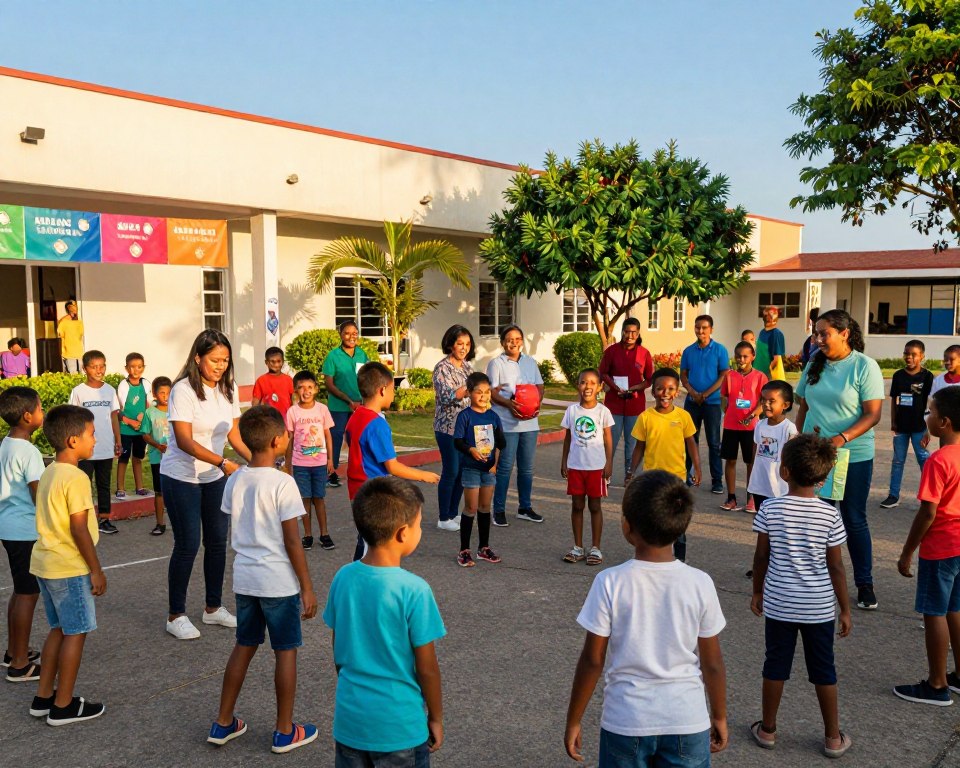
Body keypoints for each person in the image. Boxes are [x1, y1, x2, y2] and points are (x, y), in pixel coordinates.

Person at [564, 470, 727, 766]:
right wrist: (719, 715)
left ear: (627, 527)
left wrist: (574, 719)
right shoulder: (700, 582)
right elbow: (712, 662)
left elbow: (592, 660)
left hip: (626, 719)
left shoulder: (609, 581)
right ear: (681, 528)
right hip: (687, 719)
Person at [208, 406, 318, 753]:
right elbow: (291, 541)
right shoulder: (283, 483)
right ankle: (285, 730)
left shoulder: (236, 478)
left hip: (246, 578)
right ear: (276, 441)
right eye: (286, 433)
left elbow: (233, 521)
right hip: (277, 582)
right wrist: (307, 586)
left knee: (245, 645)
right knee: (285, 651)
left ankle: (223, 721)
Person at [323, 477, 445, 766]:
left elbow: (339, 650)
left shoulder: (343, 577)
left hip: (351, 720)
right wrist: (436, 717)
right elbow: (426, 667)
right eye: (418, 525)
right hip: (399, 725)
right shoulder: (414, 589)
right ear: (403, 533)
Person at [750, 434, 852, 758]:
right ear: (823, 479)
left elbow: (761, 557)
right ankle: (833, 736)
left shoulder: (770, 507)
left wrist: (757, 591)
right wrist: (845, 609)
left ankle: (767, 729)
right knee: (824, 669)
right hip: (819, 607)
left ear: (784, 471)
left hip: (780, 602)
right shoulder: (830, 515)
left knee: (775, 665)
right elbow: (836, 567)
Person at [160, 329, 251, 641]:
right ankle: (176, 615)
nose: (220, 365)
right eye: (214, 360)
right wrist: (223, 462)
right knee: (187, 545)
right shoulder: (182, 390)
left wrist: (259, 459)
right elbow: (184, 441)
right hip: (181, 477)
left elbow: (233, 434)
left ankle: (213, 608)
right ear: (197, 358)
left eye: (225, 360)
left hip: (213, 477)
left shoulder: (229, 389)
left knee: (216, 542)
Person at [796, 309, 883, 611]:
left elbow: (873, 415)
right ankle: (814, 581)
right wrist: (800, 440)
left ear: (844, 333)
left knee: (852, 518)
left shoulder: (864, 366)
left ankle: (864, 583)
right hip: (815, 453)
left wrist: (840, 439)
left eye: (824, 333)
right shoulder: (813, 363)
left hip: (852, 455)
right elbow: (804, 408)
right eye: (816, 333)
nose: (818, 339)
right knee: (817, 518)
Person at [30, 404, 106, 725]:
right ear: (73, 441)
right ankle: (63, 705)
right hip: (69, 567)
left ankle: (44, 696)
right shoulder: (75, 477)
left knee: (58, 629)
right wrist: (96, 569)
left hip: (45, 564)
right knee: (77, 632)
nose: (95, 439)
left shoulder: (49, 471)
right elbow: (78, 528)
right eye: (91, 434)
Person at [894, 386, 960, 706]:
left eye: (930, 412)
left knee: (934, 613)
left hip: (940, 549)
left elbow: (928, 512)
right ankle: (958, 675)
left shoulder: (937, 461)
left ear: (944, 422)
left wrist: (907, 552)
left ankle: (936, 685)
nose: (927, 417)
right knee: (955, 609)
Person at [346, 362, 440, 561]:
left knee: (366, 540)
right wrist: (424, 476)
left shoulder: (356, 416)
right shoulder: (377, 424)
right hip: (372, 492)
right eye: (392, 389)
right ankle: (362, 584)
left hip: (357, 488)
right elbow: (393, 466)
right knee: (370, 546)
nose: (394, 394)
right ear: (382, 390)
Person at [629, 368, 701, 562]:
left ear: (677, 392)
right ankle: (652, 556)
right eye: (660, 389)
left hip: (677, 478)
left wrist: (697, 467)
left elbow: (691, 443)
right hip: (651, 478)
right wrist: (631, 471)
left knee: (677, 520)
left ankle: (680, 559)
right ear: (652, 392)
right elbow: (639, 448)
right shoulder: (646, 417)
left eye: (671, 389)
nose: (665, 393)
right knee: (652, 517)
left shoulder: (683, 416)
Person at [0, 386, 45, 681]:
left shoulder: (6, 444)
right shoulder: (28, 451)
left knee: (20, 591)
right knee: (29, 593)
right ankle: (19, 664)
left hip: (8, 526)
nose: (43, 413)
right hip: (25, 530)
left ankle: (14, 650)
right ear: (28, 416)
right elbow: (38, 493)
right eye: (41, 409)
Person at [487, 324, 545, 527]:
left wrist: (535, 404)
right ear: (503, 342)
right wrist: (509, 404)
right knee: (504, 467)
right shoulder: (496, 364)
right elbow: (492, 392)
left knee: (527, 469)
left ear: (522, 341)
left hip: (529, 423)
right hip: (507, 423)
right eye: (509, 339)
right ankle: (499, 509)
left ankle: (524, 508)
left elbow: (540, 386)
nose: (514, 342)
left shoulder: (530, 362)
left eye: (518, 338)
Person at [560, 369, 614, 567]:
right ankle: (578, 547)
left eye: (592, 383)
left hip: (596, 468)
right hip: (576, 466)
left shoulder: (603, 411)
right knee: (577, 506)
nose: (587, 386)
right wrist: (564, 461)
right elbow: (567, 438)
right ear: (578, 385)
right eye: (583, 382)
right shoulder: (572, 411)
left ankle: (596, 548)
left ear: (600, 387)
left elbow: (608, 438)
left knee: (595, 507)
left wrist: (608, 463)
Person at [452, 372, 505, 568]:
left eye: (487, 392)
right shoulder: (465, 416)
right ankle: (464, 550)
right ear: (469, 394)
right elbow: (457, 441)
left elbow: (500, 443)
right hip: (471, 469)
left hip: (488, 470)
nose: (483, 396)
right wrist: (470, 449)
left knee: (484, 507)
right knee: (471, 508)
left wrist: (494, 465)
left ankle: (484, 548)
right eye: (478, 393)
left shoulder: (494, 416)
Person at [68, 350, 121, 535]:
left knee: (104, 484)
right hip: (85, 449)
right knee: (84, 484)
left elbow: (114, 417)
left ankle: (104, 519)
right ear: (85, 369)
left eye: (102, 366)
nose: (99, 370)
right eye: (94, 366)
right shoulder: (78, 392)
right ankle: (85, 520)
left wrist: (118, 440)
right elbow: (73, 420)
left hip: (106, 446)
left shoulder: (110, 391)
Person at [597, 318, 653, 486]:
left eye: (634, 332)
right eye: (627, 331)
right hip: (614, 404)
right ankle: (605, 474)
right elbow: (603, 373)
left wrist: (636, 387)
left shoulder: (644, 353)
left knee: (632, 444)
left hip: (635, 406)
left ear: (638, 333)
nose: (630, 335)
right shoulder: (611, 351)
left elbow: (650, 379)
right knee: (610, 442)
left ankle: (630, 476)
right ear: (622, 331)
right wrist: (614, 387)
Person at [284, 370, 335, 551]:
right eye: (301, 388)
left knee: (319, 498)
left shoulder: (322, 409)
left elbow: (328, 435)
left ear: (316, 389)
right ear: (295, 390)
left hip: (319, 463)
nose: (306, 391)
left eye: (310, 387)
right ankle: (307, 535)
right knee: (305, 500)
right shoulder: (292, 412)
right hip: (300, 464)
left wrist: (330, 459)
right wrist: (288, 465)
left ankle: (324, 533)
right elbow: (289, 440)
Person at [881, 340, 934, 509]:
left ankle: (930, 497)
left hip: (919, 427)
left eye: (913, 354)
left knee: (924, 460)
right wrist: (893, 422)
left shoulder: (927, 376)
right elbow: (894, 400)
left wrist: (929, 429)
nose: (909, 357)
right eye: (906, 353)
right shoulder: (898, 376)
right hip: (901, 427)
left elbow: (930, 403)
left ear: (922, 356)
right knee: (897, 461)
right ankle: (893, 495)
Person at [679, 315, 729, 494]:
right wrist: (692, 393)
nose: (701, 331)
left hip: (712, 403)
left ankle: (717, 481)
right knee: (690, 439)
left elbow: (723, 374)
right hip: (692, 402)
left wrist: (706, 394)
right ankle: (687, 476)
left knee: (714, 442)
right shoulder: (689, 351)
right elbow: (683, 374)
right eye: (698, 327)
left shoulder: (720, 350)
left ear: (711, 329)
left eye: (705, 328)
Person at [432, 324, 476, 529]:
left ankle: (452, 513)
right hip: (447, 427)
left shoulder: (468, 367)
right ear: (450, 344)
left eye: (467, 344)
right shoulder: (442, 368)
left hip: (465, 427)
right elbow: (447, 396)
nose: (464, 348)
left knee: (463, 471)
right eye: (460, 343)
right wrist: (468, 388)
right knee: (451, 470)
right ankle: (443, 518)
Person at [719, 341, 767, 512]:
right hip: (731, 425)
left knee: (751, 462)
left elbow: (764, 401)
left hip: (751, 427)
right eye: (738, 356)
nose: (741, 359)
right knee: (730, 460)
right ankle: (731, 498)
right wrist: (725, 404)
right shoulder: (729, 376)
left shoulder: (760, 377)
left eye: (745, 356)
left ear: (753, 356)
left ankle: (752, 497)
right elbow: (724, 396)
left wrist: (752, 415)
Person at [322, 321, 369, 489]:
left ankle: (358, 473)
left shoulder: (362, 355)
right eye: (347, 333)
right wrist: (348, 400)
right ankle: (331, 474)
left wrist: (364, 400)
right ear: (341, 335)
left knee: (357, 439)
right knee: (334, 440)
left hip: (359, 406)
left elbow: (366, 378)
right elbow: (329, 383)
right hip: (339, 407)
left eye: (355, 333)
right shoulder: (333, 356)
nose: (351, 336)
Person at [747, 381, 798, 512]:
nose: (766, 404)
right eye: (763, 400)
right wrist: (752, 479)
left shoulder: (789, 429)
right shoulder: (759, 425)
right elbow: (755, 454)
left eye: (771, 401)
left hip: (779, 488)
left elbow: (792, 460)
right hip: (759, 485)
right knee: (762, 522)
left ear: (785, 405)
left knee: (778, 524)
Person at [116, 352, 152, 500]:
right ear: (126, 368)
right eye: (132, 367)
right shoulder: (124, 385)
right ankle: (120, 488)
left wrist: (144, 421)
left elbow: (148, 405)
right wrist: (131, 422)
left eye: (139, 367)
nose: (135, 370)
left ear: (143, 368)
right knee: (123, 458)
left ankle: (139, 487)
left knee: (138, 458)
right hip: (126, 429)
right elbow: (119, 410)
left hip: (140, 430)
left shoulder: (146, 384)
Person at [141, 377, 171, 536]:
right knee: (159, 491)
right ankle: (160, 523)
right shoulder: (150, 413)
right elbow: (145, 435)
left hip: (175, 459)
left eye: (168, 393)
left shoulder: (176, 410)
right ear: (154, 394)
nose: (165, 396)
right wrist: (157, 446)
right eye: (162, 393)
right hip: (157, 458)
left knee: (177, 490)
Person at [251, 346, 294, 419]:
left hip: (286, 419)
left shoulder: (288, 379)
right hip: (269, 419)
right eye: (272, 362)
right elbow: (255, 402)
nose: (276, 365)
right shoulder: (261, 380)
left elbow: (294, 399)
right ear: (266, 362)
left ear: (283, 361)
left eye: (279, 361)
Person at [754, 305, 786, 380]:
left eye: (770, 316)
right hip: (758, 373)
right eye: (766, 315)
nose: (767, 318)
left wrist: (767, 376)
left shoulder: (776, 334)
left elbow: (776, 359)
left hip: (767, 376)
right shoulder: (762, 332)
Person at [57, 300, 84, 374]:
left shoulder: (63, 322)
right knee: (78, 376)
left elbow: (60, 334)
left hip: (71, 354)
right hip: (73, 354)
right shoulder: (80, 322)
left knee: (73, 376)